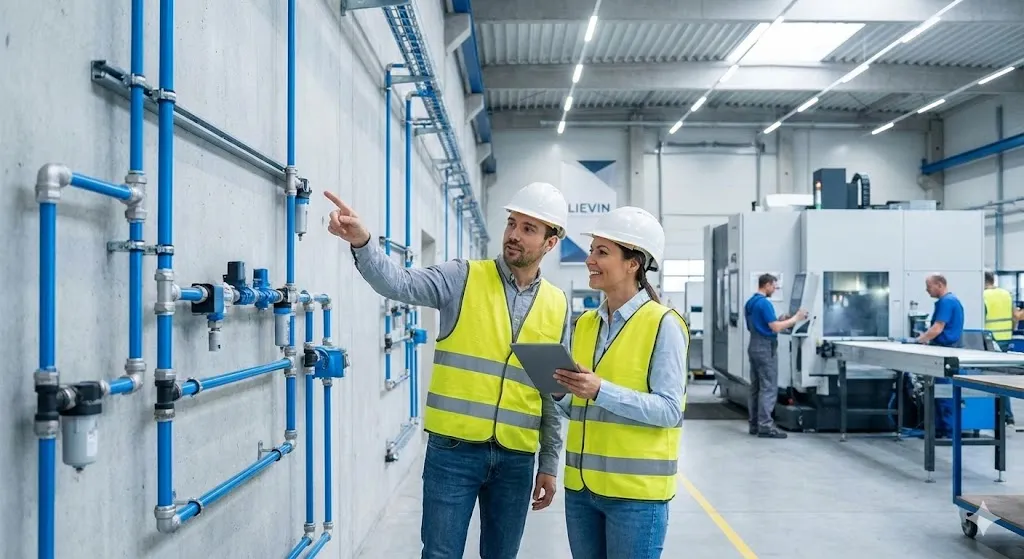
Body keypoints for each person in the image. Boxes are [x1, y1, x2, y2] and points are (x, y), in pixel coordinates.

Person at [323, 182, 571, 559]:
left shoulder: (557, 305)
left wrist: (549, 464)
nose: (514, 235)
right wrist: (363, 242)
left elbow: (551, 392)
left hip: (516, 460)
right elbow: (399, 283)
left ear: (550, 243)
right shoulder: (463, 277)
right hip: (453, 453)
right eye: (512, 224)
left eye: (528, 229)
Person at [549, 206, 687, 559]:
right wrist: (561, 391)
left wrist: (599, 390)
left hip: (636, 497)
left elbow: (670, 410)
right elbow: (580, 407)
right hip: (582, 489)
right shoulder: (585, 325)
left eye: (601, 252)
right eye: (592, 250)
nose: (589, 259)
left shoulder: (663, 324)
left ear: (633, 263)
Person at [744, 274, 807, 439]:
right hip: (766, 348)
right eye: (774, 286)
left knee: (756, 387)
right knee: (769, 387)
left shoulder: (750, 303)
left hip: (754, 345)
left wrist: (781, 319)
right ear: (766, 285)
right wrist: (795, 319)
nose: (775, 289)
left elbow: (763, 324)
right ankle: (765, 426)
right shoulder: (764, 303)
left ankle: (755, 425)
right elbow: (775, 328)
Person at [914, 274, 965, 438]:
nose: (926, 289)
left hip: (946, 353)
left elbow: (937, 328)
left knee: (944, 393)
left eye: (929, 286)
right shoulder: (949, 302)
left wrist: (919, 340)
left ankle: (949, 431)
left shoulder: (947, 302)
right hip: (941, 350)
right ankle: (940, 429)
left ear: (939, 284)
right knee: (938, 393)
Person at [984, 271, 1017, 427]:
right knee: (1002, 377)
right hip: (1005, 339)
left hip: (990, 341)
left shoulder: (984, 295)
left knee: (991, 379)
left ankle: (1001, 415)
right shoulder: (1006, 294)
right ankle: (1006, 415)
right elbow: (1015, 316)